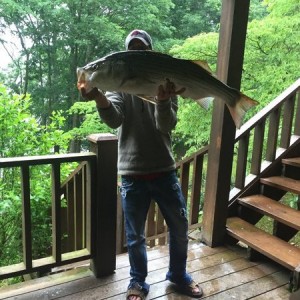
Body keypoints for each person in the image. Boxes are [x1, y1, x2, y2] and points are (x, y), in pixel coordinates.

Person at [81, 29, 203, 300]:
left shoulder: (166, 81)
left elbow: (167, 125)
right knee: (135, 236)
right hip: (132, 174)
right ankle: (137, 282)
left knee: (180, 228)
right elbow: (114, 120)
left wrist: (162, 101)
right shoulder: (118, 86)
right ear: (126, 56)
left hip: (164, 169)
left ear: (149, 52)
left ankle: (178, 276)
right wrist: (99, 96)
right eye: (132, 49)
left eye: (142, 48)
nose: (137, 52)